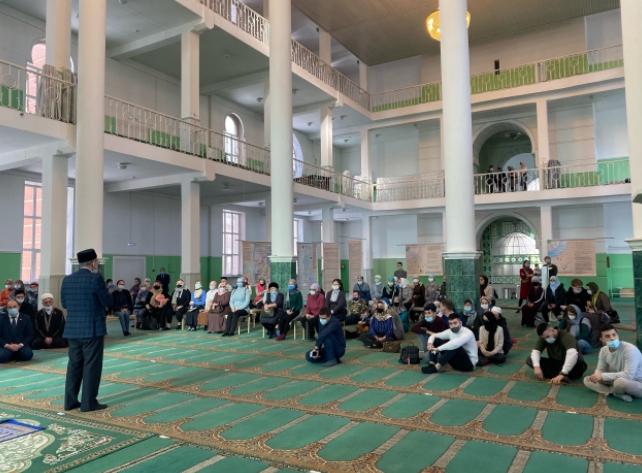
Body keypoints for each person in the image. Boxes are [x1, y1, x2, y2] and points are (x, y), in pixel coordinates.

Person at [61, 248, 113, 412]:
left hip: (72, 329)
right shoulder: (95, 279)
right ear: (94, 262)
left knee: (74, 365)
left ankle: (70, 402)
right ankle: (88, 403)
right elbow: (107, 301)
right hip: (92, 329)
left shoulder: (67, 280)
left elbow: (64, 304)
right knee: (91, 366)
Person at [584, 324, 642, 402]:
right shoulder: (604, 351)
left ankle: (614, 390)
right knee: (588, 380)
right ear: (602, 339)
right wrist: (598, 377)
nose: (612, 338)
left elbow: (628, 376)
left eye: (614, 335)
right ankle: (615, 393)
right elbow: (600, 369)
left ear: (617, 335)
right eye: (607, 336)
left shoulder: (630, 350)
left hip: (637, 382)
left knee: (619, 383)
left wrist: (602, 376)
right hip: (620, 378)